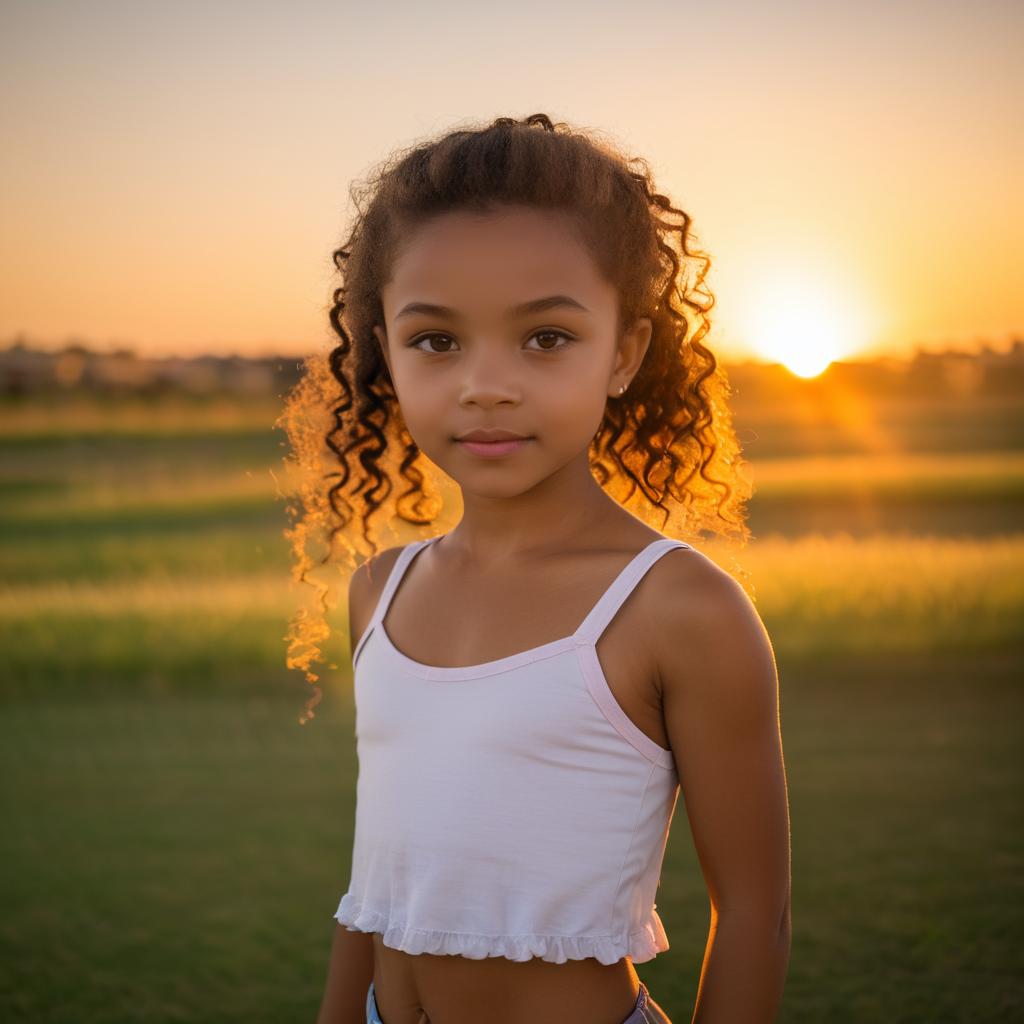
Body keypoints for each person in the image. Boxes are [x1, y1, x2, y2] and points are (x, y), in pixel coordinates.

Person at [288, 113, 791, 1024]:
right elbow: (381, 880)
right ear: (385, 356)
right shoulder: (381, 590)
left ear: (624, 353)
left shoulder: (679, 608)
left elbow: (756, 915)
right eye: (436, 341)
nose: (487, 383)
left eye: (546, 338)